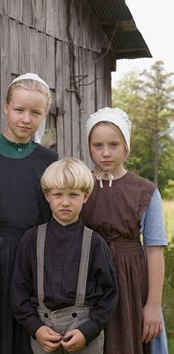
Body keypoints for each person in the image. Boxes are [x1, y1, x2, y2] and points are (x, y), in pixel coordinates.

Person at [0, 73, 57, 353]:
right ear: (6, 107)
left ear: (44, 115)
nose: (26, 118)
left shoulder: (50, 161)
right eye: (19, 110)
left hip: (35, 263)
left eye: (36, 112)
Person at [81, 107, 167, 354]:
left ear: (126, 146)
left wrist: (152, 304)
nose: (105, 153)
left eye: (114, 145)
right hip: (90, 279)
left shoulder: (144, 191)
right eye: (98, 145)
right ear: (89, 146)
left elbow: (154, 250)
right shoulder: (80, 185)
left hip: (131, 280)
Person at [11, 157, 118, 354]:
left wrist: (88, 331)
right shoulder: (31, 240)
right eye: (58, 194)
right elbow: (18, 293)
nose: (65, 202)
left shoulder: (95, 243)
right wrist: (36, 328)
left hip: (84, 334)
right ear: (46, 196)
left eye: (73, 195)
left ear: (85, 196)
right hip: (43, 334)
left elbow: (110, 294)